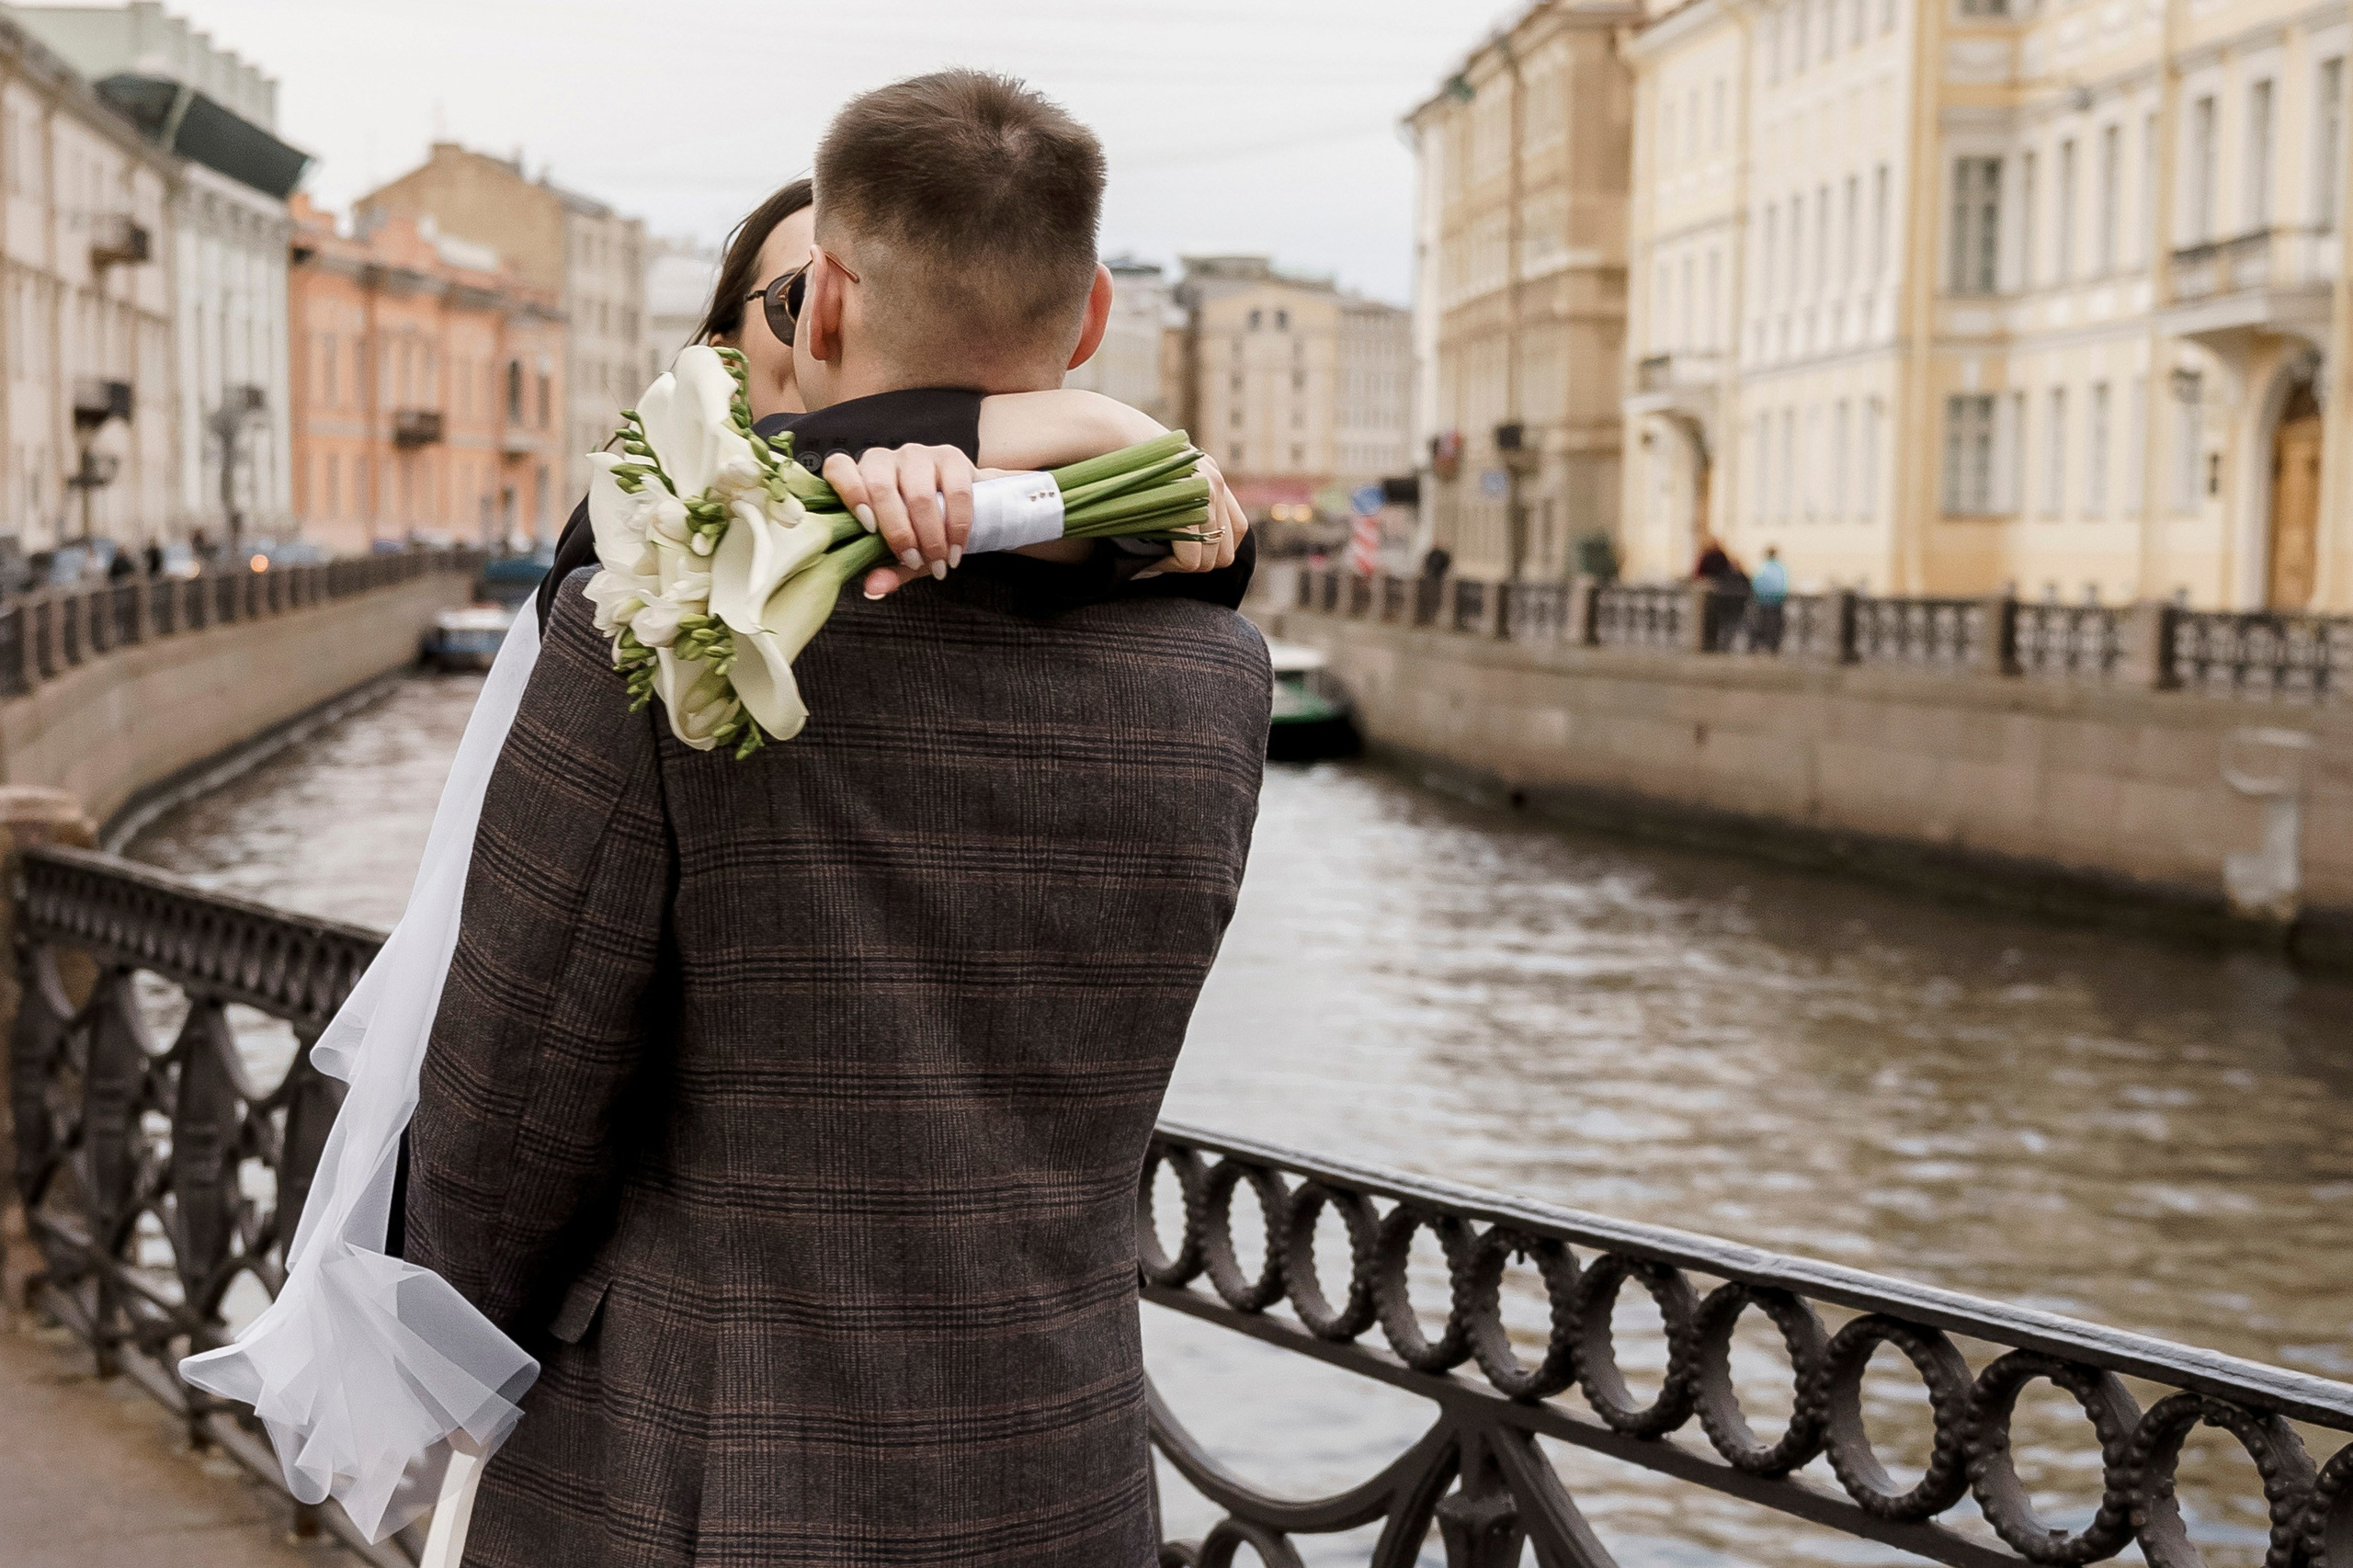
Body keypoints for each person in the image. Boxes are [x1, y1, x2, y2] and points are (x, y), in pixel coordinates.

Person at [404, 71, 1271, 1568]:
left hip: (689, 1477)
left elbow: (507, 1116)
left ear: (821, 309)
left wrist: (451, 1351)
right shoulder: (1217, 674)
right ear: (1089, 320)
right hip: (1055, 1483)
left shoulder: (669, 623)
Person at [535, 177, 1250, 629]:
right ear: (718, 356)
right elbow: (589, 555)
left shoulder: (1074, 557)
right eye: (797, 296)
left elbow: (1219, 555)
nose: (845, 333)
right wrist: (1079, 422)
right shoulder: (638, 528)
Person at [1691, 534, 1747, 652]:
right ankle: (1715, 644)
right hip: (1721, 593)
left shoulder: (1706, 556)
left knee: (1709, 622)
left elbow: (1698, 573)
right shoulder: (1721, 557)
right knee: (1718, 622)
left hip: (1713, 593)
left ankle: (1709, 645)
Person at [1748, 544, 1789, 653]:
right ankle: (1773, 645)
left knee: (1762, 623)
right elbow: (1782, 584)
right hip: (1777, 600)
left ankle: (1762, 645)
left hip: (1764, 599)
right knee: (1775, 624)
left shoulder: (1764, 567)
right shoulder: (1780, 567)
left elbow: (1757, 583)